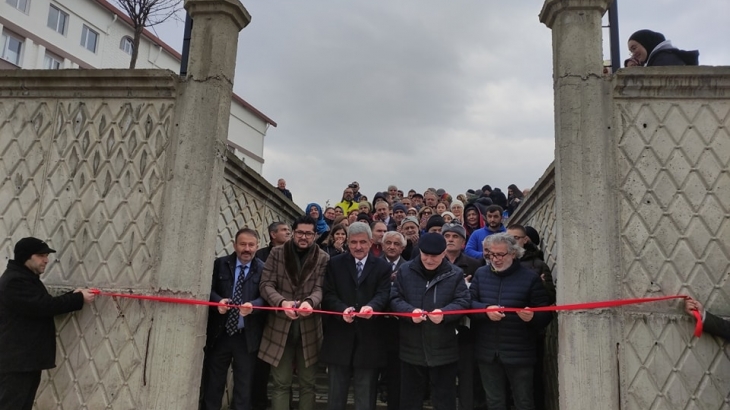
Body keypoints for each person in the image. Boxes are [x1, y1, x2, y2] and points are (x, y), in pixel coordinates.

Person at [0, 237, 96, 410]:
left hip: (24, 360)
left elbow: (40, 302)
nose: (46, 260)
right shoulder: (15, 281)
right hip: (16, 362)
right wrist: (78, 298)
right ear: (26, 256)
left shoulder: (24, 278)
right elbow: (43, 306)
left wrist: (73, 294)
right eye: (41, 255)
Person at [470, 233, 552, 410]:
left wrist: (533, 316)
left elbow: (546, 312)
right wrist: (485, 310)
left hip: (520, 352)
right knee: (494, 401)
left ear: (513, 253)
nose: (496, 259)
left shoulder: (530, 277)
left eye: (501, 254)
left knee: (523, 400)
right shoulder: (480, 273)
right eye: (491, 254)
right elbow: (469, 304)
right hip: (488, 351)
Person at [390, 233, 471, 410]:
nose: (429, 259)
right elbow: (395, 298)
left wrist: (445, 313)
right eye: (425, 254)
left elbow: (463, 301)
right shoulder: (405, 271)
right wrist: (409, 312)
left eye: (434, 256)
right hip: (411, 346)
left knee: (444, 398)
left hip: (444, 346)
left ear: (444, 254)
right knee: (410, 399)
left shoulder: (455, 273)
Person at [258, 215, 330, 410]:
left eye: (308, 233)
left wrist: (310, 302)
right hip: (279, 325)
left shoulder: (323, 257)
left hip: (309, 327)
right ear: (293, 232)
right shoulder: (277, 253)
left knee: (308, 383)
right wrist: (281, 302)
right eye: (299, 232)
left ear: (315, 235)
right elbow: (266, 284)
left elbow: (321, 288)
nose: (303, 237)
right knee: (281, 383)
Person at [321, 222, 392, 410]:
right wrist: (341, 310)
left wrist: (371, 307)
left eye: (362, 242)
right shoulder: (334, 264)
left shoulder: (382, 267)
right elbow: (328, 294)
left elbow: (384, 294)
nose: (358, 247)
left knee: (365, 396)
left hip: (369, 339)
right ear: (347, 242)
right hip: (339, 336)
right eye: (353, 242)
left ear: (370, 242)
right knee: (335, 395)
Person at [203, 228, 267, 410]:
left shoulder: (263, 269)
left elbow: (266, 298)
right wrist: (218, 302)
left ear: (257, 246)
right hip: (220, 334)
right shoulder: (220, 264)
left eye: (251, 245)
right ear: (234, 245)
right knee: (213, 384)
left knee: (243, 386)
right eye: (243, 244)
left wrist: (253, 306)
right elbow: (208, 290)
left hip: (246, 337)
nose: (247, 249)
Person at [441, 223, 481, 410]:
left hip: (465, 329)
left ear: (463, 242)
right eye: (446, 235)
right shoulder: (431, 262)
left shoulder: (474, 265)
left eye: (455, 236)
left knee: (466, 376)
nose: (450, 239)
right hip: (440, 327)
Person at [627, 29, 698, 67]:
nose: (633, 54)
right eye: (631, 52)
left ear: (646, 43)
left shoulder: (664, 59)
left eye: (634, 48)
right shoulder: (661, 58)